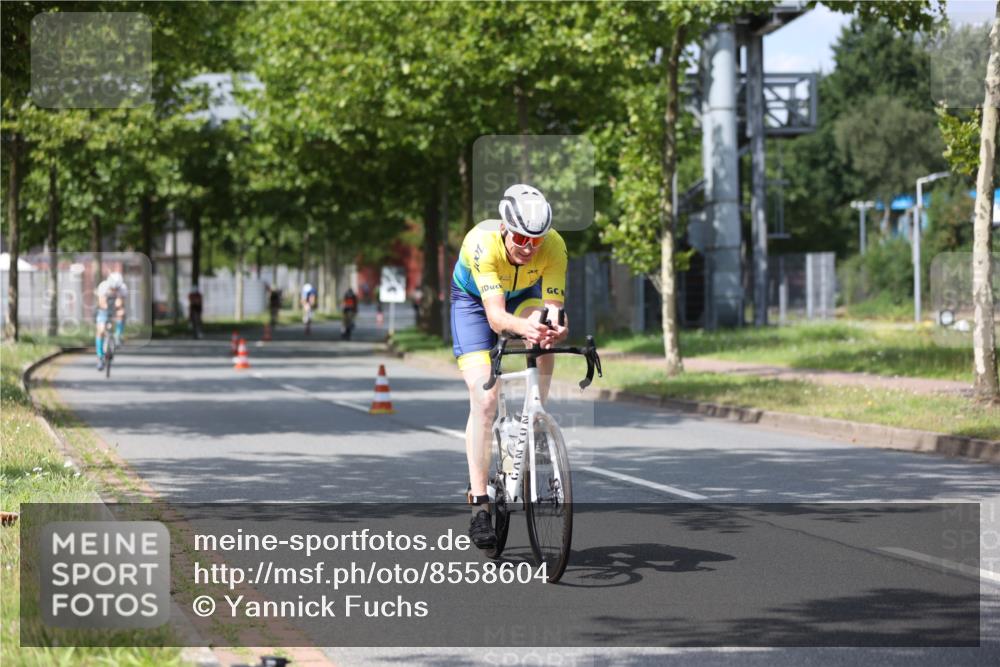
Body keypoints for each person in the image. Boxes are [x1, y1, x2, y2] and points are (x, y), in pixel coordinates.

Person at [450, 184, 568, 548]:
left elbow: (552, 307)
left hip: (522, 298)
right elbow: (497, 318)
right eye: (521, 238)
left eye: (537, 240)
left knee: (544, 332)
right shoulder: (481, 243)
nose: (529, 248)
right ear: (504, 227)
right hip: (474, 304)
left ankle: (536, 417)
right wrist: (524, 327)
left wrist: (556, 326)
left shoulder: (555, 247)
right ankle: (480, 504)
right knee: (485, 398)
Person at [94, 271, 128, 371]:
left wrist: (118, 307)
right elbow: (102, 303)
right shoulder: (103, 286)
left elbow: (120, 303)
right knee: (100, 330)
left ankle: (118, 335)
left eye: (116, 288)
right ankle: (100, 357)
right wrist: (108, 312)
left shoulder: (122, 288)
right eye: (113, 288)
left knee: (122, 313)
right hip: (103, 309)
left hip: (116, 308)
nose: (114, 290)